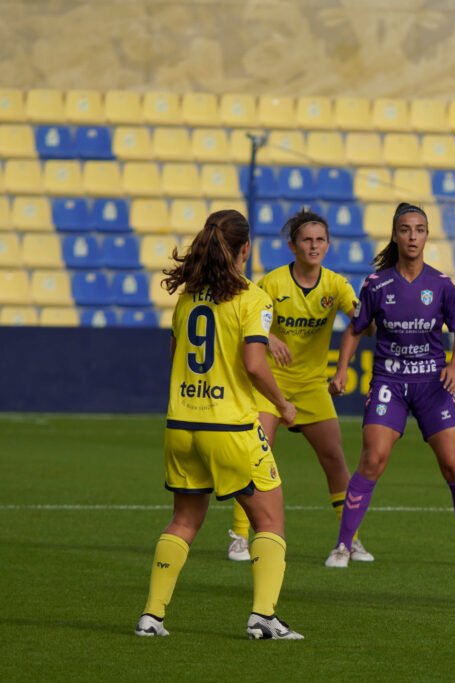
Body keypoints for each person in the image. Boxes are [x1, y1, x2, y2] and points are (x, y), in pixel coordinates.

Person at [135, 209, 303, 640]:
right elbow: (254, 363)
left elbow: (175, 360)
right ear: (246, 249)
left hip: (181, 425)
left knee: (184, 521)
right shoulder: (252, 297)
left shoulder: (188, 297)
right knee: (270, 520)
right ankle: (264, 616)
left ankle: (152, 616)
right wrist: (282, 403)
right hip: (229, 428)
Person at [324, 203, 455, 569]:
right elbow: (356, 330)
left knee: (454, 464)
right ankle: (343, 546)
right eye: (405, 229)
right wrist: (342, 370)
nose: (412, 236)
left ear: (427, 235)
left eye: (419, 229)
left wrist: (454, 364)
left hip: (432, 383)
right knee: (373, 458)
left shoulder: (441, 285)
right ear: (395, 234)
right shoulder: (377, 284)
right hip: (390, 380)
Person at [226, 209, 373, 565]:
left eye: (320, 239)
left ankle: (348, 538)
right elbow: (244, 318)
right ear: (293, 246)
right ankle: (239, 536)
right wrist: (270, 337)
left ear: (328, 244)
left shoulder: (336, 286)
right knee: (257, 455)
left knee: (335, 458)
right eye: (306, 239)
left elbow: (361, 323)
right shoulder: (273, 283)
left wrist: (342, 368)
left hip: (311, 386)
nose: (314, 245)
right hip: (269, 383)